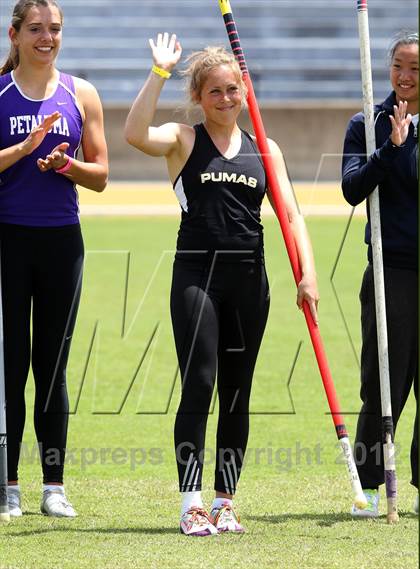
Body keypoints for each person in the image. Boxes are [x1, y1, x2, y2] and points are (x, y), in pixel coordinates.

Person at [125, 32, 319, 536]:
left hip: (250, 281)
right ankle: (191, 504)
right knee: (201, 383)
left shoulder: (265, 148)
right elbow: (133, 132)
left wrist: (308, 274)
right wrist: (158, 73)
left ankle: (224, 502)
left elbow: (292, 216)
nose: (227, 99)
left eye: (234, 90)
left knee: (237, 392)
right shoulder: (184, 140)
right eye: (216, 91)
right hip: (197, 279)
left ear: (245, 92)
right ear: (199, 97)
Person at [0, 0, 108, 518]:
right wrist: (23, 150)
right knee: (9, 365)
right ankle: (10, 484)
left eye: (55, 29)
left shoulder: (80, 93)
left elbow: (102, 175)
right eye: (37, 29)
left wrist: (67, 165)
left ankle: (54, 485)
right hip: (8, 241)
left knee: (52, 367)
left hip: (62, 243)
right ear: (15, 34)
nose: (47, 38)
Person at [341, 31, 418, 518]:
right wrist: (390, 148)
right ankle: (369, 485)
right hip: (393, 271)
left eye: (414, 68)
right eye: (397, 66)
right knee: (384, 381)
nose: (405, 76)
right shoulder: (365, 123)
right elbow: (351, 189)